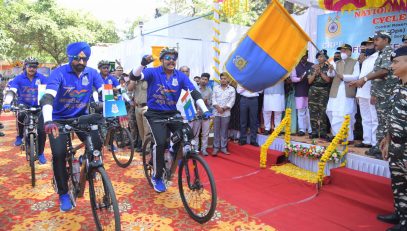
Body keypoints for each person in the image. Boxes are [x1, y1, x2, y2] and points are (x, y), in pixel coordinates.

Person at [129, 47, 211, 193]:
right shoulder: (153, 72)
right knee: (160, 143)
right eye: (168, 58)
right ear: (161, 60)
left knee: (187, 133)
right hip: (155, 114)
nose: (171, 60)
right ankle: (157, 176)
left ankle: (172, 152)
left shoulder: (180, 76)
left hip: (172, 113)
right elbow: (135, 77)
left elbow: (194, 92)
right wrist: (142, 63)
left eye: (174, 58)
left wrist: (204, 110)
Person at [40, 42, 108, 212]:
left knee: (97, 145)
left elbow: (105, 92)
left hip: (81, 118)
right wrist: (48, 120)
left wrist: (118, 110)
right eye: (78, 59)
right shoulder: (59, 73)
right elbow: (48, 97)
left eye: (85, 59)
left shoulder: (91, 73)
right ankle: (63, 193)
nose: (82, 63)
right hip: (59, 120)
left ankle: (86, 164)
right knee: (59, 154)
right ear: (71, 58)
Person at [349, 31, 399, 159]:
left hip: (387, 94)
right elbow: (375, 73)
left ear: (386, 40)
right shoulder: (381, 54)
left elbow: (383, 71)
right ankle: (379, 147)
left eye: (377, 39)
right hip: (379, 93)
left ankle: (382, 149)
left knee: (383, 122)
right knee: (381, 122)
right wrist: (363, 82)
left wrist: (364, 79)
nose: (375, 42)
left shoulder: (388, 52)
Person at [378, 46, 407, 231]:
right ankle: (401, 214)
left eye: (396, 62)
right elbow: (392, 116)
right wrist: (387, 138)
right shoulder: (398, 85)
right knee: (398, 182)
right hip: (395, 144)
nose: (392, 65)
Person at [2, 57, 47, 163]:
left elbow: (49, 90)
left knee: (42, 130)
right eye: (30, 66)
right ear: (25, 67)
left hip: (39, 107)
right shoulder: (18, 78)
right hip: (24, 106)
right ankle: (20, 136)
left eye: (34, 66)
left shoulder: (42, 78)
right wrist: (7, 102)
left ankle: (40, 153)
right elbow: (12, 91)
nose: (32, 69)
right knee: (20, 114)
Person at [326, 44, 360, 143]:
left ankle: (348, 138)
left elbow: (356, 76)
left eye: (344, 51)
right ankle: (336, 135)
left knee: (345, 114)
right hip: (335, 92)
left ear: (350, 51)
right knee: (331, 112)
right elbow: (330, 75)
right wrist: (330, 69)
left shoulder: (355, 63)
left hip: (347, 92)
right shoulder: (337, 63)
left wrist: (344, 77)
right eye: (341, 51)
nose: (342, 53)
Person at [355, 37, 378, 149]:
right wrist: (358, 94)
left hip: (372, 93)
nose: (368, 47)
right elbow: (361, 77)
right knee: (365, 118)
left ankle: (375, 143)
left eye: (370, 45)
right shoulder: (366, 59)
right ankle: (367, 140)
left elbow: (377, 76)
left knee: (374, 118)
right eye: (367, 45)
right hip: (363, 93)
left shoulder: (378, 57)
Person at [307, 50, 332, 140]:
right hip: (313, 89)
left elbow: (328, 80)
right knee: (313, 111)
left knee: (323, 111)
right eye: (319, 56)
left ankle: (323, 132)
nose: (320, 58)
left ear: (326, 58)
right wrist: (315, 72)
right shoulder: (312, 67)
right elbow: (309, 81)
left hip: (324, 90)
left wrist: (320, 73)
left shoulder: (329, 67)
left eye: (322, 56)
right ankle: (314, 132)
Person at [212, 73, 235, 155]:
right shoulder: (215, 88)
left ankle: (223, 148)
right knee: (216, 131)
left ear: (228, 79)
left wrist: (223, 109)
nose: (223, 80)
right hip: (216, 113)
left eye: (225, 78)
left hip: (226, 113)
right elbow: (213, 99)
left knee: (224, 131)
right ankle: (215, 148)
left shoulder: (232, 89)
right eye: (221, 78)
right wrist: (218, 108)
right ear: (220, 79)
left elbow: (231, 102)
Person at [291, 51, 313, 136]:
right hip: (299, 91)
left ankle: (310, 130)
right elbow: (293, 78)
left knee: (309, 111)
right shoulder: (295, 66)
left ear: (307, 56)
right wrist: (299, 79)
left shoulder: (312, 65)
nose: (303, 58)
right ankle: (302, 129)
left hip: (310, 91)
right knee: (301, 111)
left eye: (304, 56)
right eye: (301, 56)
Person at [127, 72, 149, 152]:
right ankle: (143, 146)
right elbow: (129, 88)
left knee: (147, 130)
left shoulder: (148, 79)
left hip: (146, 106)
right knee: (141, 130)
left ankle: (146, 149)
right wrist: (133, 80)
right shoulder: (135, 81)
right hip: (137, 107)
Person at [192, 73, 212, 156]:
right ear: (200, 79)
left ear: (208, 81)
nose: (204, 81)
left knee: (205, 133)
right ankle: (196, 150)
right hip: (196, 114)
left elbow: (211, 103)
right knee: (195, 133)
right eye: (202, 79)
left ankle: (204, 149)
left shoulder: (210, 90)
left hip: (205, 115)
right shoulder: (194, 89)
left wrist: (206, 101)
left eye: (206, 79)